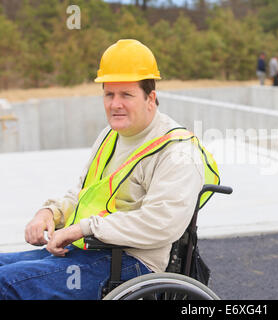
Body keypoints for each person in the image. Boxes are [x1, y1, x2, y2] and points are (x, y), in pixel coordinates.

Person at [0, 39, 219, 300]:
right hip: (88, 250)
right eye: (109, 94)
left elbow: (162, 223)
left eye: (126, 95)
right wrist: (50, 212)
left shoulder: (178, 150)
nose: (115, 104)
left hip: (131, 262)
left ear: (151, 98)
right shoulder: (110, 136)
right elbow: (83, 193)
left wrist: (81, 229)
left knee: (6, 284)